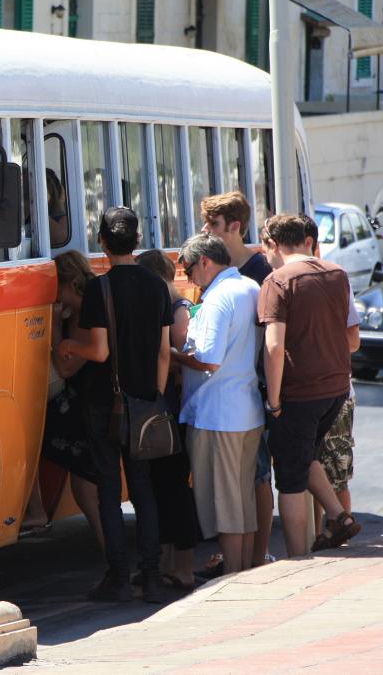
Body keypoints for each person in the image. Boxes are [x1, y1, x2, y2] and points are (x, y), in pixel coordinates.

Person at [58, 206, 171, 604]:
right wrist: (154, 398)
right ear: (136, 240)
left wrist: (70, 344)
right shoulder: (156, 286)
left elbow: (100, 352)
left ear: (102, 242)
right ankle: (154, 577)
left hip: (105, 404)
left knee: (108, 488)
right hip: (144, 403)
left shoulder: (99, 289)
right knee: (144, 489)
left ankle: (119, 578)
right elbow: (162, 353)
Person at [258, 213, 362, 556]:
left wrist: (273, 401)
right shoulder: (336, 273)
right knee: (306, 456)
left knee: (289, 480)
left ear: (273, 243)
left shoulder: (277, 281)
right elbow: (351, 338)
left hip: (299, 393)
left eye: (264, 245)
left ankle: (296, 559)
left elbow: (274, 347)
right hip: (336, 389)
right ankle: (338, 516)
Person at [176, 234, 263, 576]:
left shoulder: (216, 299)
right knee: (242, 500)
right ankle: (243, 572)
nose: (187, 278)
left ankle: (233, 577)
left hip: (219, 414)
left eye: (187, 268)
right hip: (247, 408)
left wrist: (173, 356)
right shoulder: (249, 287)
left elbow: (208, 359)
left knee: (225, 504)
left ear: (205, 262)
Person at [200, 191, 274, 570]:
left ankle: (259, 555)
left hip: (255, 387)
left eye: (212, 225)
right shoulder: (219, 269)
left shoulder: (260, 272)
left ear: (235, 227)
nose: (205, 230)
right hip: (234, 389)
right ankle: (238, 554)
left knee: (258, 475)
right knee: (241, 480)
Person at [136, 249, 199, 590]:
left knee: (174, 489)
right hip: (168, 408)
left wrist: (164, 356)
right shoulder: (167, 308)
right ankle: (164, 563)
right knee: (161, 488)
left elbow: (186, 357)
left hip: (174, 410)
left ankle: (184, 567)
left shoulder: (179, 311)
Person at [35, 250, 103, 550]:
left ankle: (109, 549)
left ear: (68, 285)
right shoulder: (85, 307)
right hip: (84, 400)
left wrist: (54, 326)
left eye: (56, 289)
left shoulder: (84, 316)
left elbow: (65, 367)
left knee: (86, 485)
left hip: (88, 402)